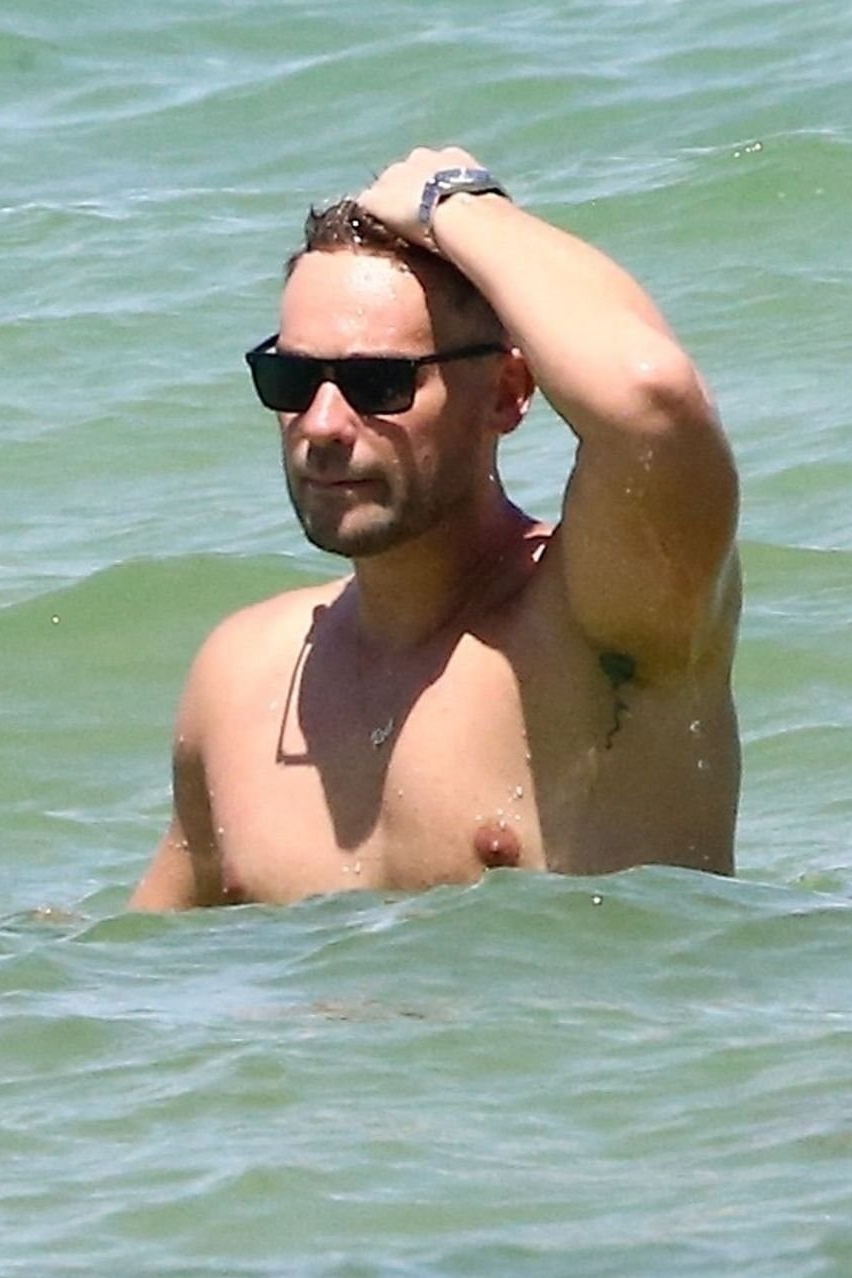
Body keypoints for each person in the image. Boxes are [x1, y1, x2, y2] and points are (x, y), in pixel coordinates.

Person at [132, 146, 741, 909]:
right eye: (292, 379)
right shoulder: (242, 681)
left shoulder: (600, 624)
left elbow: (651, 399)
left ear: (507, 393)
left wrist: (458, 206)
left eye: (377, 383)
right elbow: (147, 955)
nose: (321, 424)